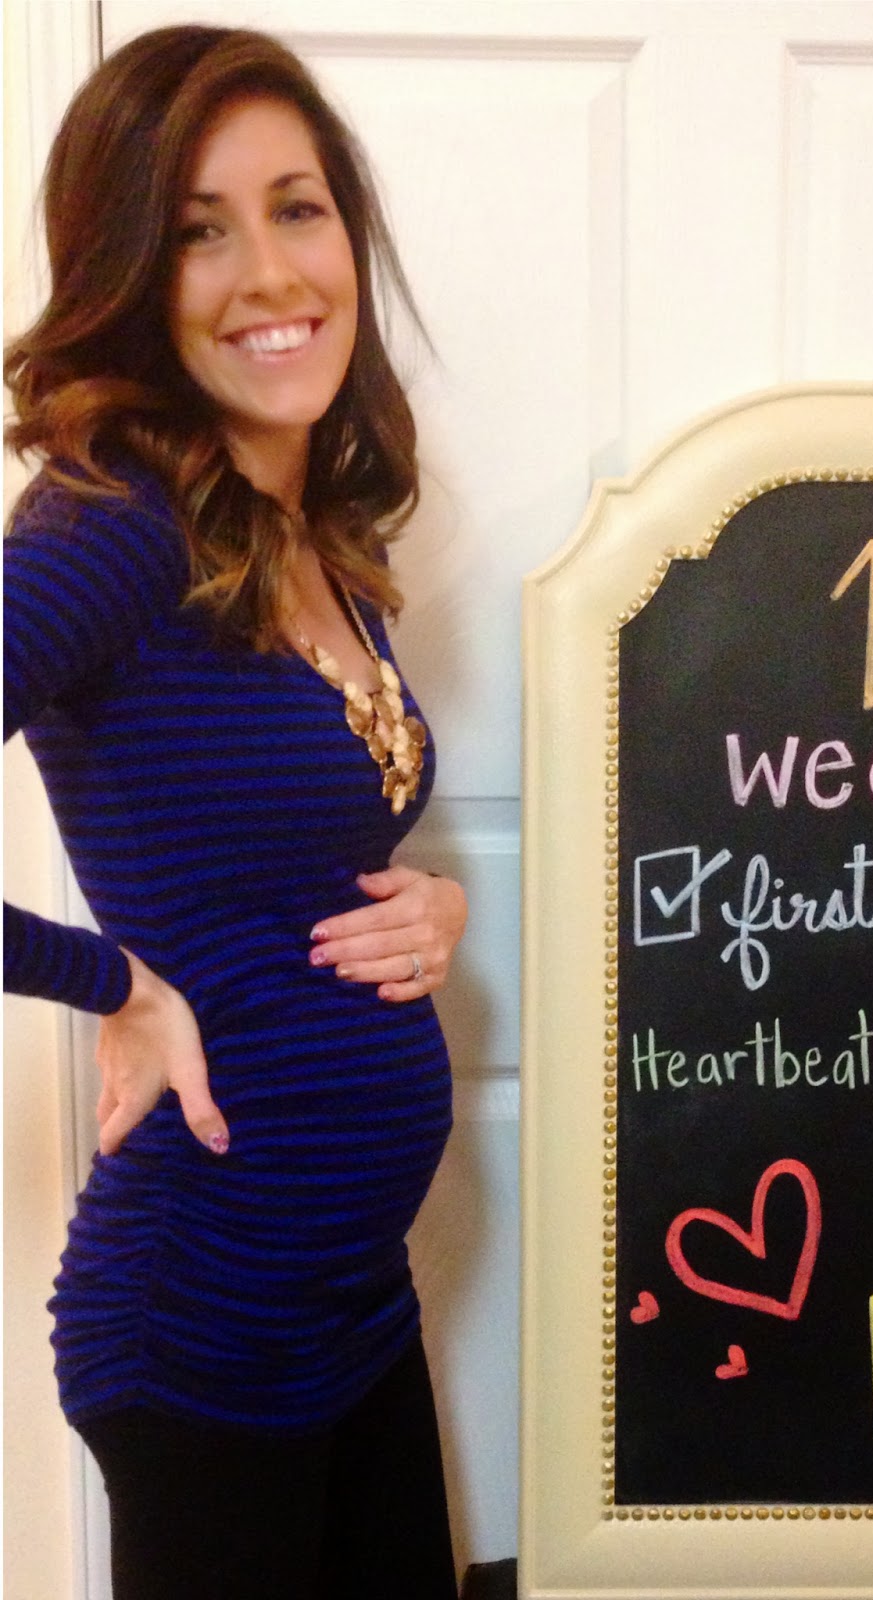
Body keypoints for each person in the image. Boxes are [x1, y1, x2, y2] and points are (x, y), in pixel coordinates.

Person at [3, 26, 468, 1599]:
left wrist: (428, 906)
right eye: (201, 230)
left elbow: (280, 847)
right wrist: (113, 983)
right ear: (131, 275)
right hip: (205, 1325)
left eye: (297, 208)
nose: (270, 272)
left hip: (351, 1300)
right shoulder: (110, 529)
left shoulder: (308, 530)